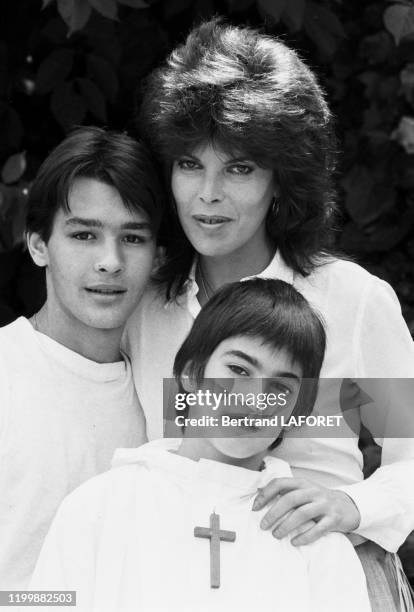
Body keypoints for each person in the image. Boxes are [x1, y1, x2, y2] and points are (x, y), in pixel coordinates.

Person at [123, 19, 414, 610]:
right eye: (188, 164)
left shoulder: (349, 300)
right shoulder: (145, 306)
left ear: (281, 180)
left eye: (238, 168)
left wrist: (355, 505)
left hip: (325, 582)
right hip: (180, 583)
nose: (207, 194)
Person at [31, 279, 371, 612]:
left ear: (296, 411)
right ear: (193, 373)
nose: (253, 399)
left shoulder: (317, 541)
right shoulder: (98, 507)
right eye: (238, 368)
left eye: (280, 389)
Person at [0, 126, 165, 589]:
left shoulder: (163, 389)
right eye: (84, 235)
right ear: (37, 244)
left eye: (133, 238)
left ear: (157, 258)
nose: (110, 261)